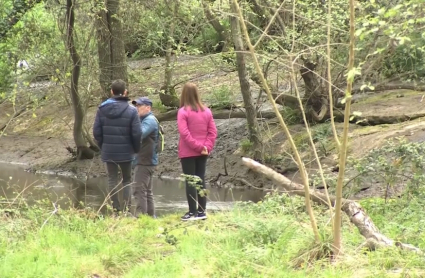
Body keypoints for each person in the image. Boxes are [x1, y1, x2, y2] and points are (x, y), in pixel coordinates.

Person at [93, 79, 141, 214]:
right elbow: (137, 133)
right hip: (127, 152)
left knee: (112, 179)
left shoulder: (102, 109)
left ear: (111, 92)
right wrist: (136, 149)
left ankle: (116, 209)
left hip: (109, 151)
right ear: (125, 92)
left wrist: (103, 145)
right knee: (127, 179)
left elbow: (96, 132)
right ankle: (127, 210)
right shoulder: (132, 111)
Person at [177, 82, 217, 221]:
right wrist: (206, 147)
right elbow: (213, 132)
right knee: (200, 179)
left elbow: (184, 133)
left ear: (183, 95)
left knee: (190, 181)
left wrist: (199, 147)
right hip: (203, 152)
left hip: (188, 152)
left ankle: (192, 212)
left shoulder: (182, 111)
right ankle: (202, 212)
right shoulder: (207, 111)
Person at [131, 97, 160, 218]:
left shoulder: (149, 120)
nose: (137, 108)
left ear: (148, 107)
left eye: (139, 106)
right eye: (136, 106)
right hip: (146, 160)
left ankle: (141, 217)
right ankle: (150, 217)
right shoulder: (145, 119)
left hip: (145, 161)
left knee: (139, 190)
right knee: (147, 191)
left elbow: (140, 134)